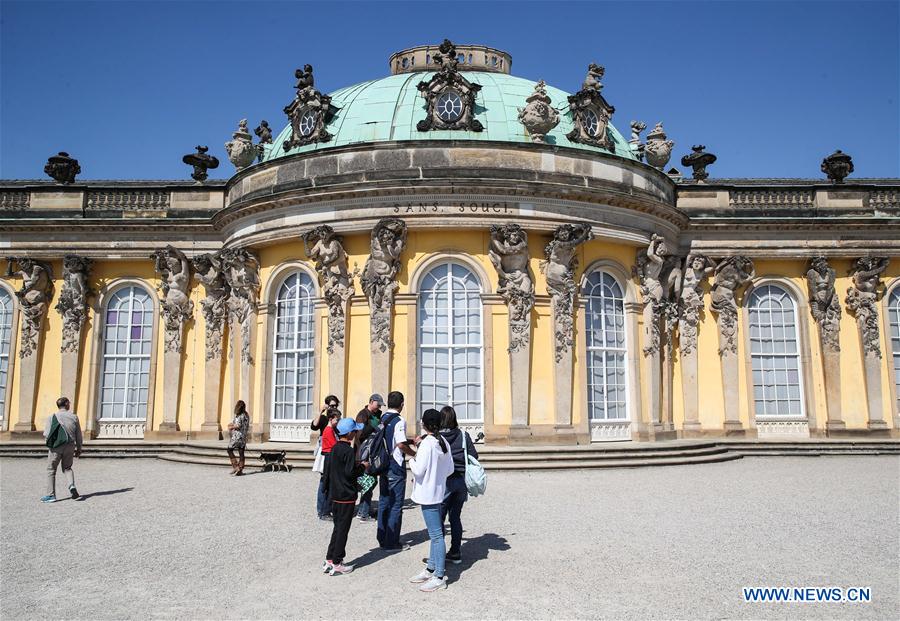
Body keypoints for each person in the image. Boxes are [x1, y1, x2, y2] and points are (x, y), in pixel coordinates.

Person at [409, 408, 455, 592]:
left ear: (424, 424)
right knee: (436, 533)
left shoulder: (427, 443)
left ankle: (439, 575)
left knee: (436, 535)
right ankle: (431, 568)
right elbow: (450, 469)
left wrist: (411, 460)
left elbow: (419, 470)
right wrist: (437, 477)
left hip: (428, 494)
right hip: (438, 491)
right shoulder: (442, 441)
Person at [322, 417, 366, 576]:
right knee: (343, 529)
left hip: (335, 494)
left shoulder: (334, 448)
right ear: (349, 433)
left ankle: (330, 558)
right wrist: (362, 467)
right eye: (354, 431)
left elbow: (328, 470)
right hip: (346, 495)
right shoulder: (348, 450)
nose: (356, 433)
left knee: (337, 527)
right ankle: (337, 562)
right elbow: (350, 473)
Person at [376, 390, 416, 551]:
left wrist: (410, 441)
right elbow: (400, 444)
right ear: (402, 404)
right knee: (396, 504)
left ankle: (382, 537)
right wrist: (414, 453)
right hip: (395, 464)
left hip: (383, 464)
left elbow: (390, 439)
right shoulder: (399, 420)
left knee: (384, 501)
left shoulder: (383, 418)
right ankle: (391, 542)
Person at [438, 406, 478, 565]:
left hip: (445, 480)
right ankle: (455, 551)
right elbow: (474, 455)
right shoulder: (463, 435)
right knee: (455, 517)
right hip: (461, 479)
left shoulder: (437, 437)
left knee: (439, 518)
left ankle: (438, 554)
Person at [41, 397, 83, 503]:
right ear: (66, 404)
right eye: (69, 403)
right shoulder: (74, 417)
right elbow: (79, 434)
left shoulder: (52, 417)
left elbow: (46, 434)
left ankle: (51, 495)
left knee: (51, 470)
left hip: (56, 446)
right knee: (67, 468)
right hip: (70, 446)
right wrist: (79, 448)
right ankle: (72, 486)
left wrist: (49, 445)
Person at [354, 393, 384, 522]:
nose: (379, 408)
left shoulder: (376, 414)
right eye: (378, 405)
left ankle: (364, 509)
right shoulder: (362, 415)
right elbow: (360, 435)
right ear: (371, 401)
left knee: (371, 482)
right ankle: (363, 513)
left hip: (371, 454)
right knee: (368, 483)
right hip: (363, 454)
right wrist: (373, 426)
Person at [313, 405, 341, 520]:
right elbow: (334, 446)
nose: (338, 422)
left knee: (328, 485)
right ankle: (325, 511)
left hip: (330, 458)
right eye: (337, 419)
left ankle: (326, 510)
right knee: (328, 486)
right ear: (330, 419)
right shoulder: (328, 430)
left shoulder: (331, 429)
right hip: (329, 459)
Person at [227, 400, 250, 476]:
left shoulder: (239, 415)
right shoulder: (246, 415)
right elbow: (246, 425)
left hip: (237, 436)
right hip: (243, 436)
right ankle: (240, 469)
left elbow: (238, 425)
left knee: (229, 450)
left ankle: (236, 467)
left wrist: (231, 427)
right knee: (241, 452)